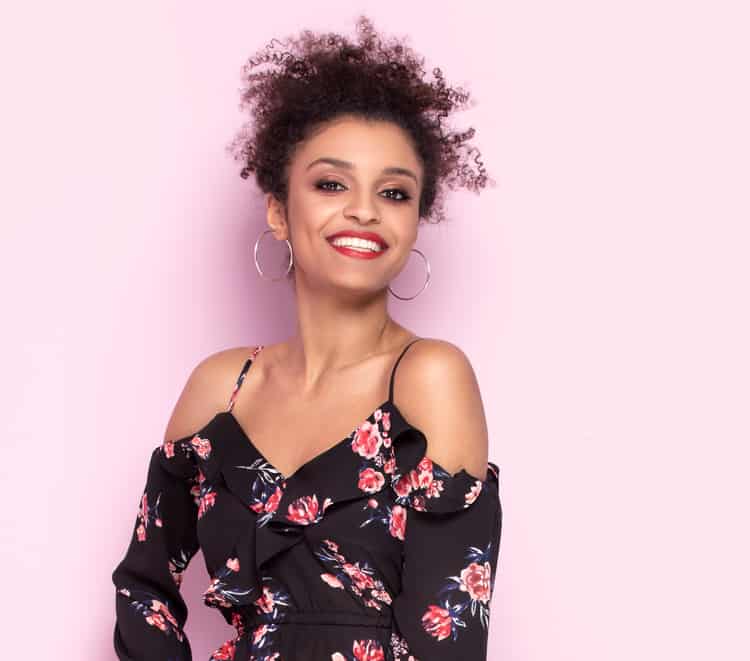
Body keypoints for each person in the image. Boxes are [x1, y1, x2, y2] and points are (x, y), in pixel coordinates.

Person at [111, 15, 502, 660]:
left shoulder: (429, 376)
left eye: (395, 192)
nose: (365, 210)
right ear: (278, 209)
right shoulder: (221, 388)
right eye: (330, 183)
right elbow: (142, 590)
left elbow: (451, 636)